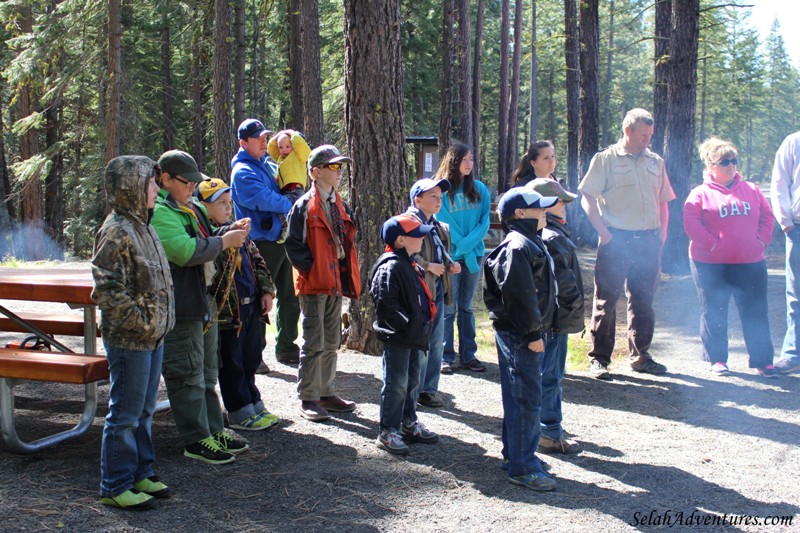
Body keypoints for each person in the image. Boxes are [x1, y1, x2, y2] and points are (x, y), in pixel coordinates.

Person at [151, 149, 250, 465]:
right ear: (165, 179)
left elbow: (204, 241)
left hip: (203, 300)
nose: (192, 188)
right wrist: (224, 242)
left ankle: (212, 428)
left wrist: (227, 233)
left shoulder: (188, 207)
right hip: (182, 304)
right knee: (187, 372)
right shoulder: (162, 212)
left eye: (195, 182)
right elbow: (183, 251)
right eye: (186, 182)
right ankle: (196, 438)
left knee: (208, 371)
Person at [92, 156, 175, 510]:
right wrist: (140, 321)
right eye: (150, 183)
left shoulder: (145, 225)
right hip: (130, 339)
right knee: (124, 413)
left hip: (151, 337)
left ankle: (141, 472)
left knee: (144, 410)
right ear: (132, 187)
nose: (157, 189)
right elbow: (107, 288)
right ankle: (115, 484)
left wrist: (155, 325)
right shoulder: (116, 230)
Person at [578, 108, 676, 380]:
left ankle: (640, 354)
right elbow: (587, 196)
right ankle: (599, 358)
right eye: (643, 135)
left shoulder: (656, 162)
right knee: (606, 301)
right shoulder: (606, 159)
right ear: (627, 130)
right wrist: (603, 233)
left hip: (648, 240)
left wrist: (662, 235)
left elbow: (663, 201)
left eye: (650, 135)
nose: (647, 140)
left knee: (644, 300)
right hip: (616, 240)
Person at [484, 188, 559, 491]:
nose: (545, 213)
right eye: (538, 209)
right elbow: (520, 296)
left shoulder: (528, 242)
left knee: (521, 398)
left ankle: (514, 454)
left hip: (523, 332)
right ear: (519, 214)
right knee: (525, 400)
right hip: (520, 335)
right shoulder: (517, 246)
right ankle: (523, 466)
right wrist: (532, 334)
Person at [684, 138, 777, 377]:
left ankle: (763, 361)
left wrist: (761, 242)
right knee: (714, 310)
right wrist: (713, 244)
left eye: (733, 161)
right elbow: (691, 224)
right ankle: (717, 360)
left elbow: (768, 217)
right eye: (724, 161)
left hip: (750, 262)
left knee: (755, 311)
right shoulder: (699, 194)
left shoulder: (752, 190)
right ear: (711, 165)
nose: (730, 165)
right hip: (710, 264)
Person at [197, 178, 282, 430]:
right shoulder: (209, 235)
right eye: (220, 204)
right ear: (204, 207)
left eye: (229, 203)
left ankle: (253, 402)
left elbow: (258, 262)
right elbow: (211, 250)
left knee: (250, 357)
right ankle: (238, 411)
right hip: (228, 314)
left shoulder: (241, 234)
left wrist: (266, 291)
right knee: (232, 362)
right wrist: (228, 234)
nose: (226, 208)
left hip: (251, 307)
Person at [284, 145, 361, 422]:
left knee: (331, 341)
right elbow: (293, 246)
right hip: (315, 284)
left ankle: (326, 392)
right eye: (333, 167)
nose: (339, 171)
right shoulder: (304, 205)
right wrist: (313, 268)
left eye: (341, 167)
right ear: (315, 172)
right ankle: (308, 396)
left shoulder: (339, 203)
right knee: (313, 341)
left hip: (335, 282)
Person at [231, 119, 301, 365]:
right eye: (257, 138)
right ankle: (254, 353)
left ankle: (286, 346)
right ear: (243, 142)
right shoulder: (242, 171)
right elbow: (263, 198)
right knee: (260, 297)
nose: (264, 141)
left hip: (282, 239)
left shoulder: (268, 163)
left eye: (265, 137)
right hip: (260, 243)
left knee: (291, 295)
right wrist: (293, 203)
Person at [371, 213, 440, 456]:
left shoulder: (410, 263)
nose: (422, 238)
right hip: (400, 338)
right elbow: (386, 305)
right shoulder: (391, 266)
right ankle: (388, 430)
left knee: (412, 382)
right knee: (396, 384)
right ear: (401, 239)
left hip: (414, 337)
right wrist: (406, 325)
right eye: (416, 235)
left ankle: (408, 422)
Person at [527, 178, 586, 453]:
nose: (565, 206)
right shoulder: (552, 237)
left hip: (549, 318)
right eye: (561, 201)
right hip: (554, 320)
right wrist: (573, 310)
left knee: (546, 374)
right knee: (550, 375)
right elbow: (565, 283)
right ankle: (549, 431)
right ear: (546, 205)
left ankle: (543, 428)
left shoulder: (549, 233)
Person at [434, 143, 491, 374]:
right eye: (465, 159)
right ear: (454, 161)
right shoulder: (443, 191)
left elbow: (484, 221)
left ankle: (468, 355)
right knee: (448, 308)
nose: (469, 163)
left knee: (467, 307)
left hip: (473, 257)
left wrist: (468, 246)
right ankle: (445, 356)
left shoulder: (479, 189)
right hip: (451, 258)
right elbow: (443, 220)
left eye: (471, 159)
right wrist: (462, 244)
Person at [404, 178, 461, 408]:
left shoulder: (438, 226)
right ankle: (413, 389)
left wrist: (449, 266)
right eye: (432, 197)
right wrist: (427, 266)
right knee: (419, 340)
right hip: (416, 290)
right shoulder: (407, 223)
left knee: (437, 340)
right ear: (417, 199)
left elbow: (441, 255)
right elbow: (403, 255)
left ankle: (429, 389)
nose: (438, 201)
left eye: (440, 197)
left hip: (436, 288)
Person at [770, 130, 800, 374]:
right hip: (799, 228)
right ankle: (793, 353)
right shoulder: (794, 141)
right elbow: (779, 182)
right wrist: (786, 223)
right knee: (797, 295)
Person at [267, 129, 312, 241]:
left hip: (295, 189)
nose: (284, 150)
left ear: (293, 145)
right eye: (281, 147)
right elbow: (270, 148)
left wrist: (292, 133)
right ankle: (290, 230)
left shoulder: (298, 156)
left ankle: (289, 229)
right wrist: (277, 136)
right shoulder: (280, 158)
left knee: (286, 210)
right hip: (286, 191)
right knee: (286, 211)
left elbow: (302, 147)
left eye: (288, 146)